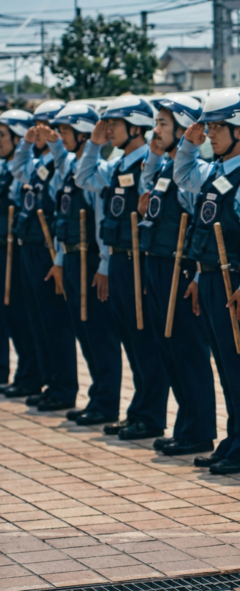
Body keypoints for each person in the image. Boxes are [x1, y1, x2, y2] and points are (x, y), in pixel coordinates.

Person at [175, 90, 240, 475]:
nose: (209, 134)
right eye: (208, 127)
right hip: (210, 278)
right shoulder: (215, 171)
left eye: (217, 128)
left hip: (235, 283)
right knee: (225, 366)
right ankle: (233, 439)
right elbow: (184, 178)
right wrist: (187, 145)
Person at [76, 95, 171, 440]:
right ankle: (139, 410)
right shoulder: (115, 165)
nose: (108, 130)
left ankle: (150, 415)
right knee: (131, 339)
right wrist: (94, 146)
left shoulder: (151, 163)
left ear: (135, 127)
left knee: (145, 339)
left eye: (113, 125)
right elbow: (84, 177)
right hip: (115, 258)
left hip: (138, 262)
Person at [139, 94, 217, 456]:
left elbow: (199, 221)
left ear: (185, 130)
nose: (156, 131)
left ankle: (198, 429)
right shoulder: (163, 167)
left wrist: (197, 275)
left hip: (179, 267)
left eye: (163, 125)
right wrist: (154, 155)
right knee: (168, 348)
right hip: (156, 263)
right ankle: (185, 424)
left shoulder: (190, 173)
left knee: (187, 351)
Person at [46, 102, 123, 425]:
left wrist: (104, 265)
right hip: (73, 257)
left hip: (92, 258)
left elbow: (102, 222)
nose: (61, 137)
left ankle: (106, 402)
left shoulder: (100, 172)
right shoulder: (73, 169)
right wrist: (61, 260)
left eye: (65, 132)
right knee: (85, 333)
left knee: (99, 333)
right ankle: (97, 397)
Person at [11, 99, 80, 412]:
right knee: (37, 320)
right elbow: (18, 173)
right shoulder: (41, 161)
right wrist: (25, 146)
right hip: (31, 244)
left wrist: (58, 261)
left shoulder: (60, 162)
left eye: (43, 125)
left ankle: (63, 387)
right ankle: (50, 382)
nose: (35, 131)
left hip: (51, 249)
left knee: (55, 323)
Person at [0, 109, 42, 400]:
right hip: (6, 249)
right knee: (8, 315)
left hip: (17, 248)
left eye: (2, 136)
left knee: (22, 315)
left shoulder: (26, 168)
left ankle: (30, 374)